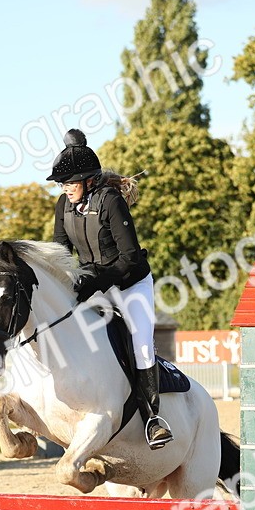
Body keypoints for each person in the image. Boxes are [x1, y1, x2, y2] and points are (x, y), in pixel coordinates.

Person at [47, 129, 173, 450]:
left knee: (142, 343)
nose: (65, 189)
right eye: (62, 184)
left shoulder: (111, 202)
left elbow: (130, 257)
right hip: (93, 284)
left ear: (89, 180)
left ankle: (152, 418)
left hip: (130, 283)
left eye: (69, 183)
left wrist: (95, 280)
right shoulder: (64, 205)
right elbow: (61, 252)